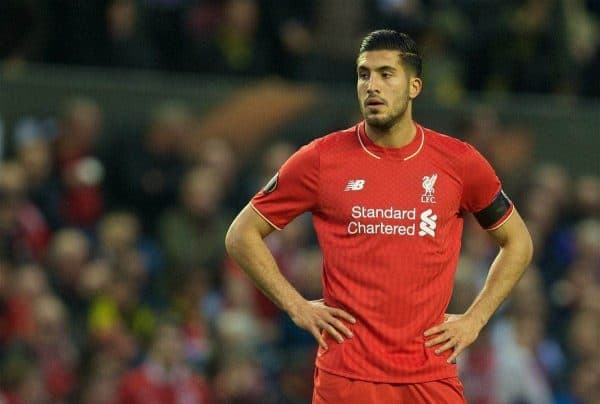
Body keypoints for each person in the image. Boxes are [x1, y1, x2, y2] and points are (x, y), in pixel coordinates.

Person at [225, 29, 533, 403]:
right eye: (363, 74)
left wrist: (475, 319)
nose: (372, 85)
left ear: (414, 86)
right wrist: (297, 307)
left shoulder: (459, 162)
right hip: (348, 377)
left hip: (429, 374)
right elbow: (241, 234)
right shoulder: (321, 159)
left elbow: (518, 241)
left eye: (386, 74)